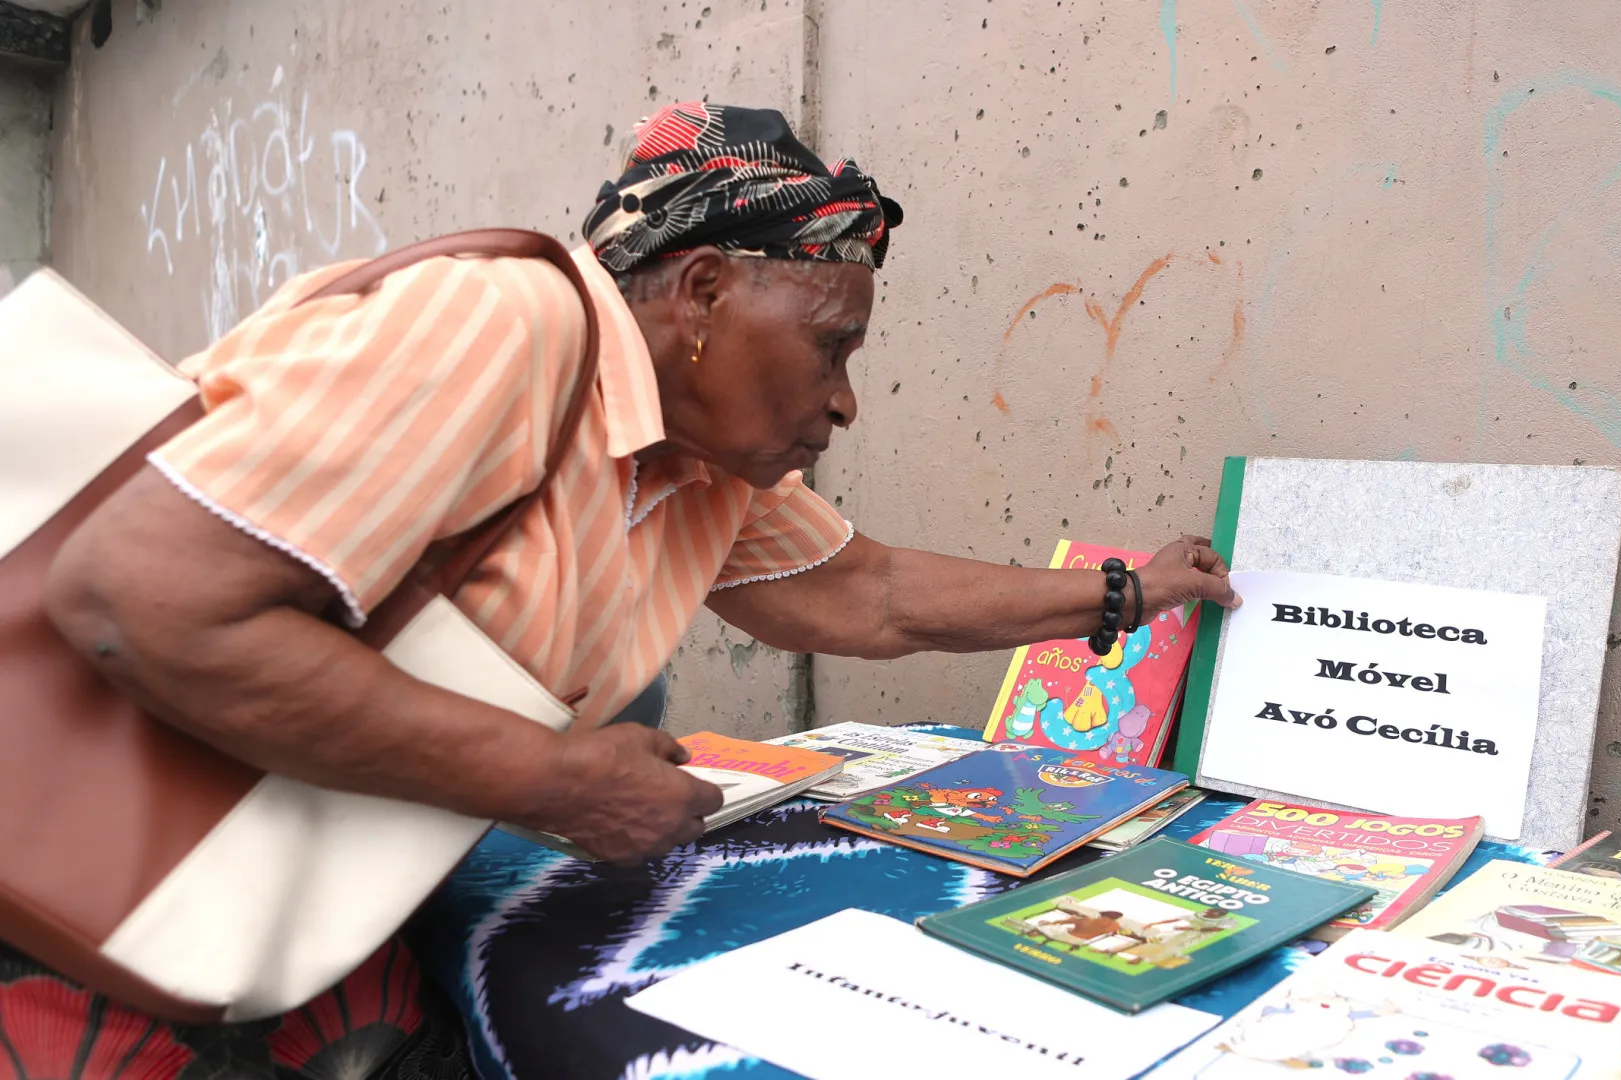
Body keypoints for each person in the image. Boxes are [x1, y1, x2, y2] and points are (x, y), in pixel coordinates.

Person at [10, 102, 1238, 1078]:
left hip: (280, 894)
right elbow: (143, 603)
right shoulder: (500, 324)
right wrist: (550, 780)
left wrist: (1124, 594)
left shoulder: (700, 464)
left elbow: (868, 594)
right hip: (79, 880)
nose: (846, 399)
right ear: (702, 292)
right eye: (832, 343)